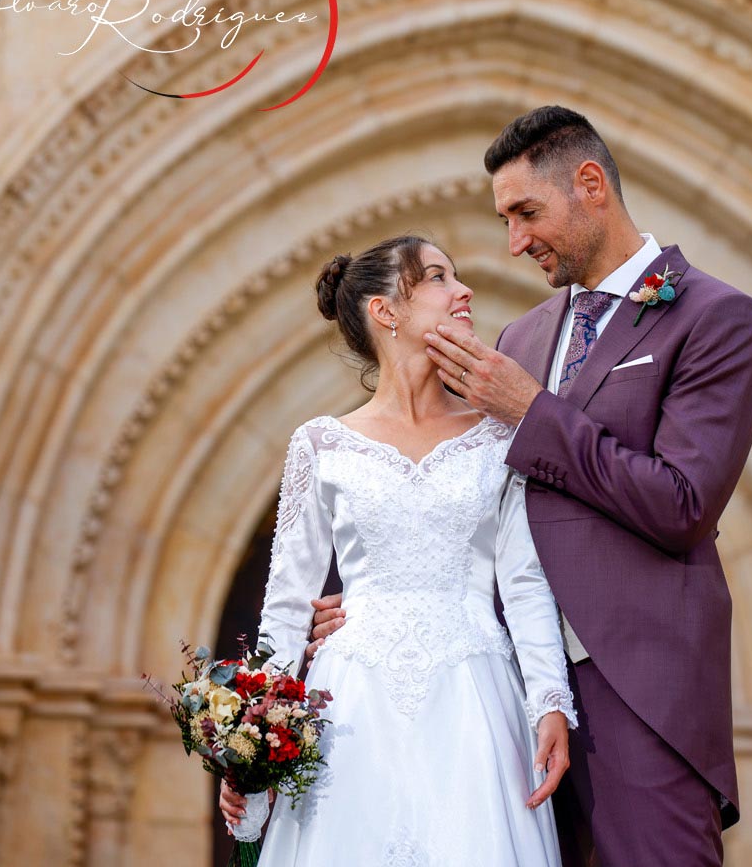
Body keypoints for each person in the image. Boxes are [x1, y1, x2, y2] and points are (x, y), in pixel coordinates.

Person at [309, 106, 752, 866]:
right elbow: (467, 508)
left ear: (590, 184)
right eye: (505, 220)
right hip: (502, 705)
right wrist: (381, 602)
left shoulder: (715, 319)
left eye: (527, 213)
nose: (514, 243)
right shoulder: (521, 339)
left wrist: (533, 411)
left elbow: (683, 504)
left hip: (637, 693)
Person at [217, 234, 576, 866]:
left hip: (475, 694)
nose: (463, 291)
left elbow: (524, 583)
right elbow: (286, 607)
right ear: (386, 311)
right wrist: (256, 737)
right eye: (438, 277)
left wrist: (549, 701)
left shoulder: (499, 437)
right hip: (352, 706)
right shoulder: (321, 445)